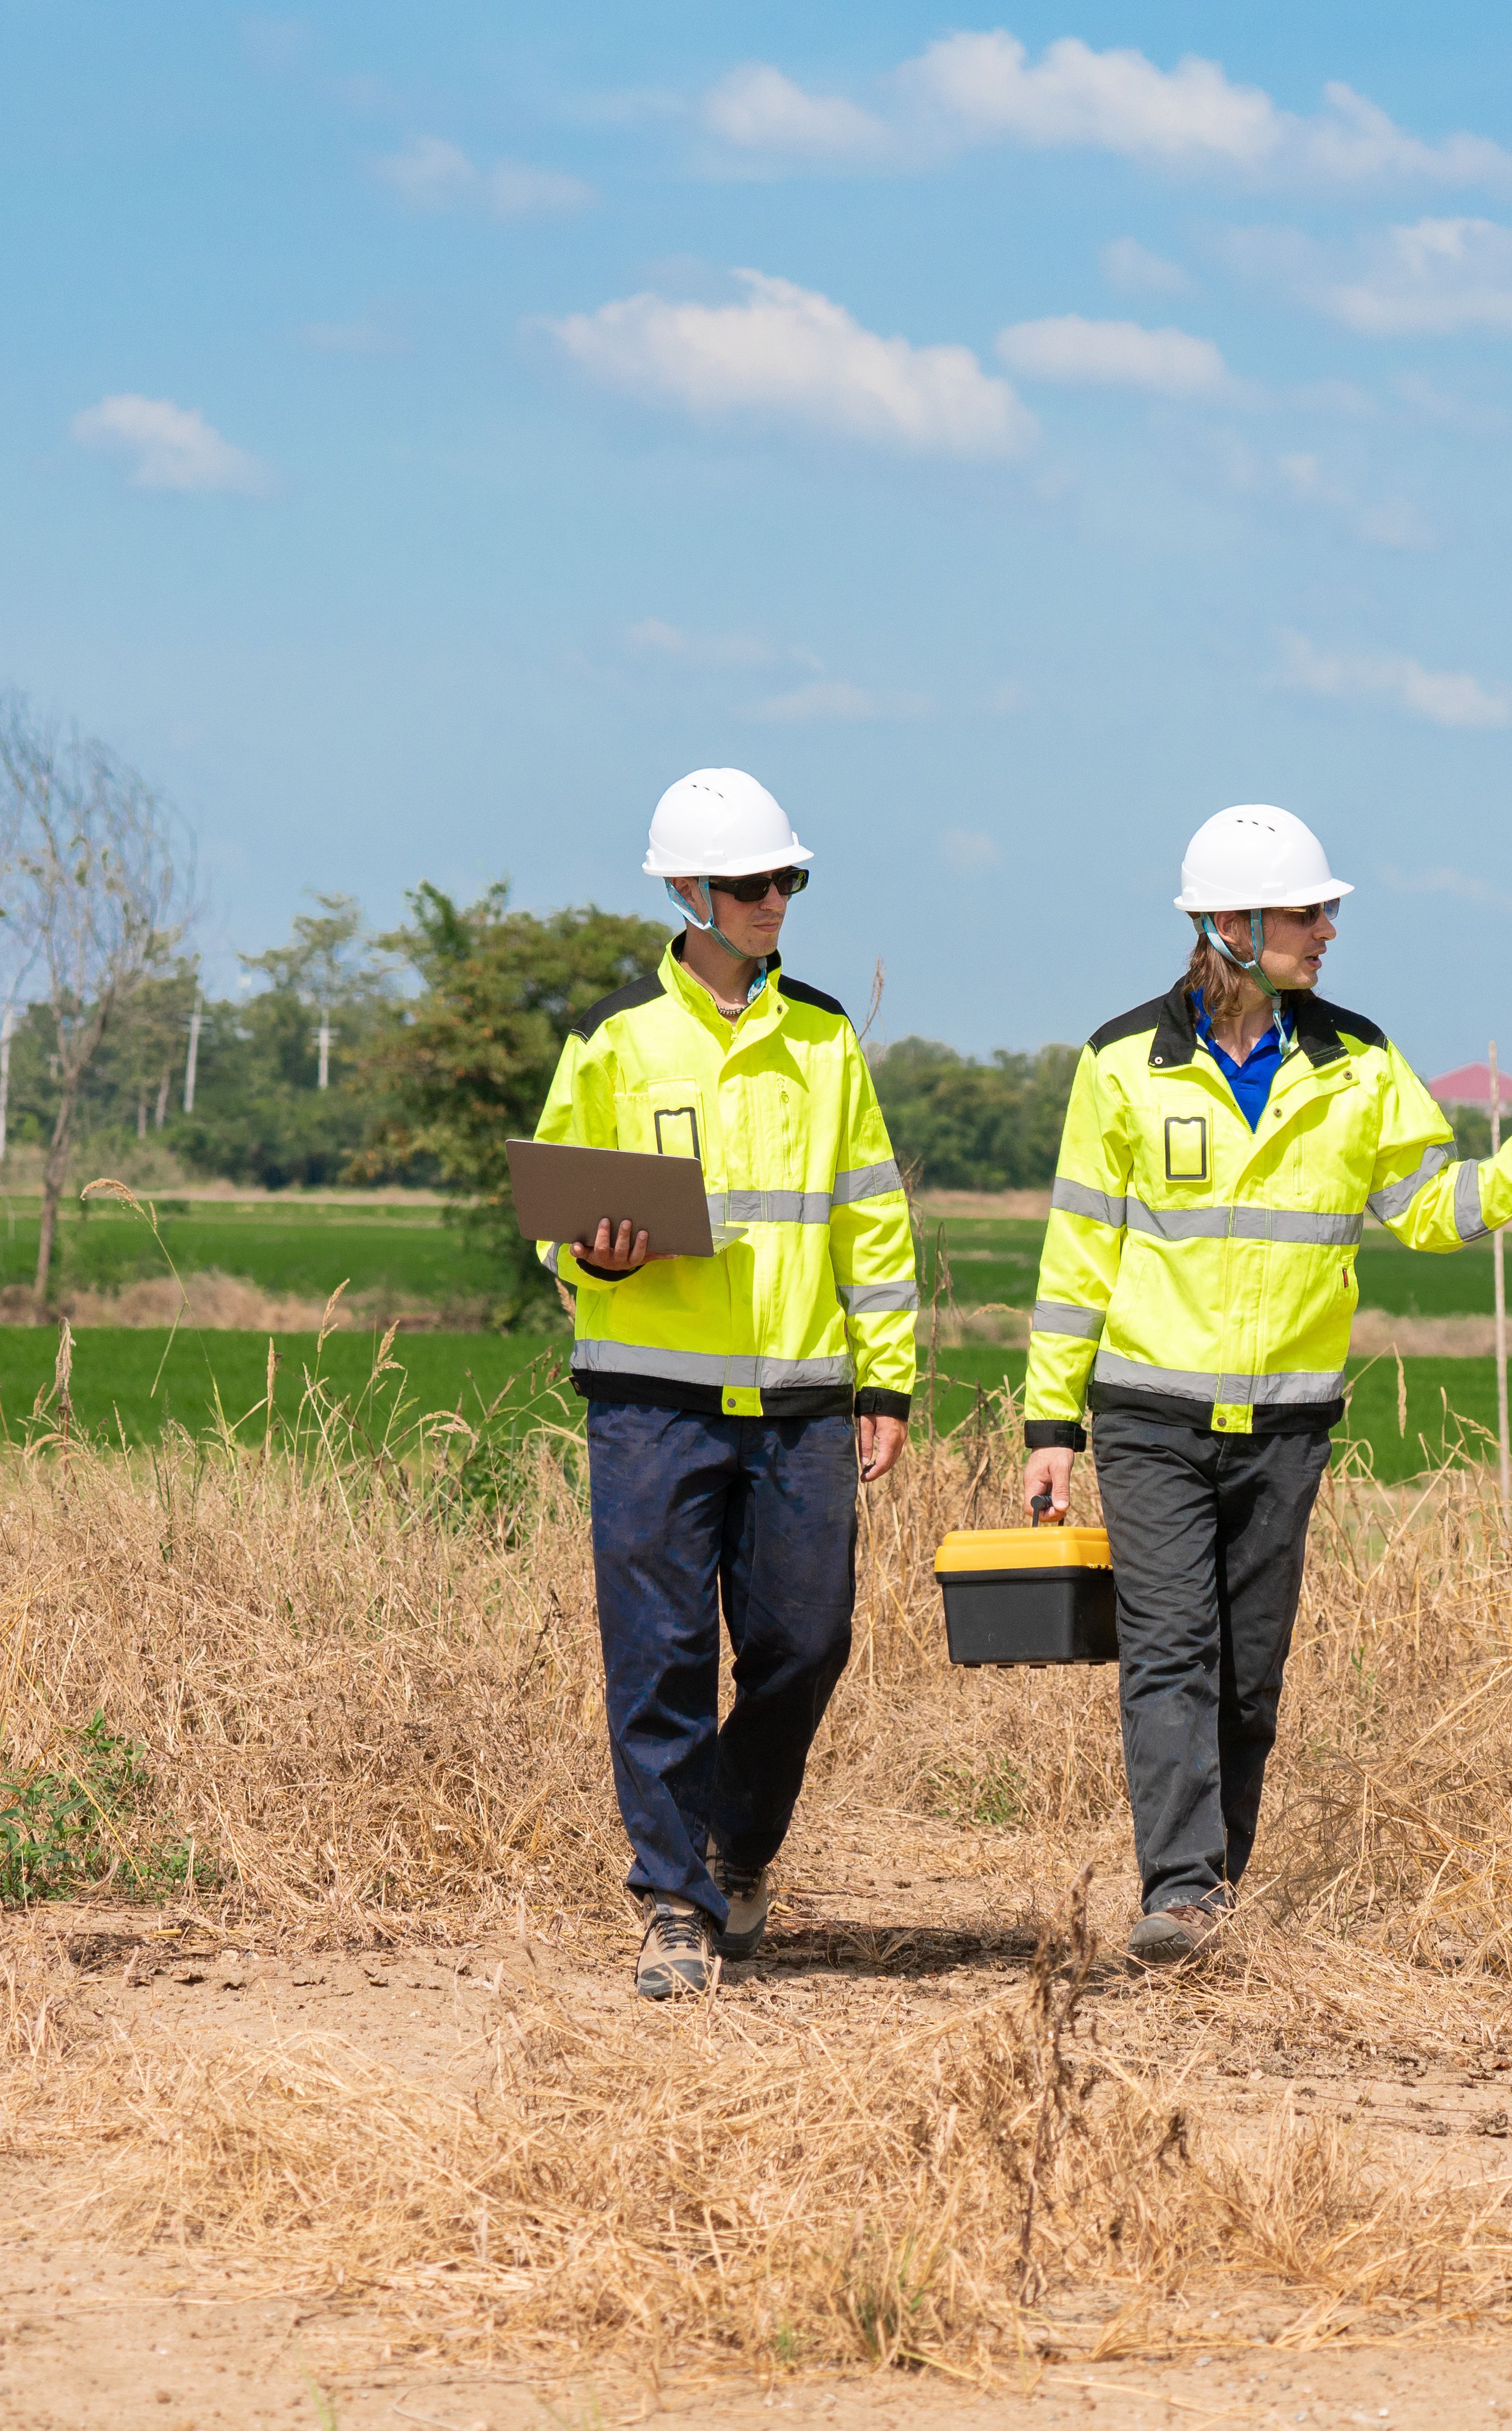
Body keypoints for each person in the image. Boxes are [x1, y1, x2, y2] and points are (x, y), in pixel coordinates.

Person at [1018, 804, 1512, 1963]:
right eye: (1307, 913)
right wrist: (1049, 1422)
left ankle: (1214, 1892)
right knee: (1171, 1652)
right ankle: (1179, 1892)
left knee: (1248, 1678)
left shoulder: (1361, 1061)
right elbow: (1077, 1256)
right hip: (1151, 1418)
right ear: (1231, 923)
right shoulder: (1120, 1063)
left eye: (1325, 912)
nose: (1327, 931)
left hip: (1287, 1426)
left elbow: (1435, 1210)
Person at [535, 768, 917, 1999]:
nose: (775, 900)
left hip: (800, 1402)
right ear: (691, 894)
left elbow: (872, 1217)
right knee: (659, 1658)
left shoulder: (825, 1037)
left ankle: (735, 1846)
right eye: (752, 882)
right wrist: (590, 1253)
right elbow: (554, 1214)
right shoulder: (611, 1039)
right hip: (648, 1401)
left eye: (788, 878)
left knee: (807, 1644)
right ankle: (674, 1904)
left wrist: (888, 1384)